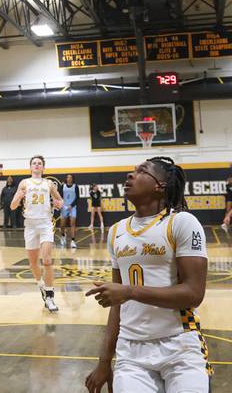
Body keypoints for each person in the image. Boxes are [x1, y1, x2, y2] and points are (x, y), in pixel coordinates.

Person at [85, 157, 211, 393]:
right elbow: (117, 305)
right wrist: (104, 362)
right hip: (131, 352)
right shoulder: (116, 232)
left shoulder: (182, 222)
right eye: (132, 171)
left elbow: (194, 294)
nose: (130, 175)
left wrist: (129, 291)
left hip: (180, 345)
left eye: (141, 171)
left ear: (160, 185)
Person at [10, 155, 64, 313]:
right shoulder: (24, 183)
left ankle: (50, 296)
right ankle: (41, 285)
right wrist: (18, 197)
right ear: (30, 167)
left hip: (45, 224)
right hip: (30, 225)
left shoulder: (49, 184)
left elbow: (60, 202)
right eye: (34, 163)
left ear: (43, 167)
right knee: (33, 264)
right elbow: (13, 206)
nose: (37, 165)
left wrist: (58, 203)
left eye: (39, 163)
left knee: (47, 261)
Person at [59, 174, 79, 249]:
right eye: (68, 177)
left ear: (72, 179)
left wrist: (71, 205)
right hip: (64, 207)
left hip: (72, 207)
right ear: (66, 179)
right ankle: (63, 236)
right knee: (62, 225)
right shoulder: (63, 186)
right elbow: (59, 196)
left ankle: (73, 241)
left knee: (72, 223)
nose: (69, 178)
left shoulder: (75, 186)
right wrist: (62, 204)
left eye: (70, 177)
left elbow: (77, 198)